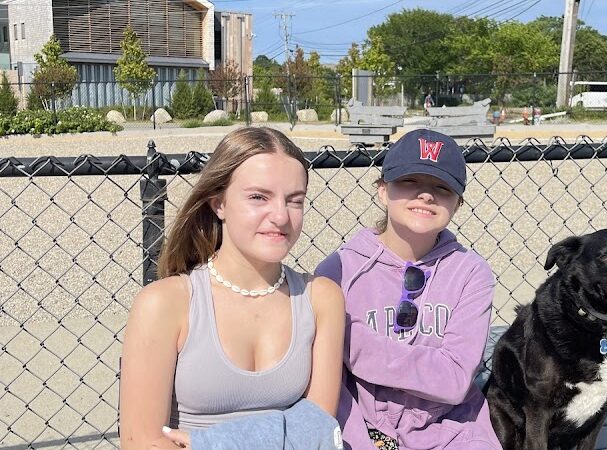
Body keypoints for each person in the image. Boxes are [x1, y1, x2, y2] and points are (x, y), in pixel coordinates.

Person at [119, 127, 345, 450]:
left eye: (295, 201)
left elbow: (319, 427)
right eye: (258, 197)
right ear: (218, 203)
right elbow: (142, 442)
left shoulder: (321, 299)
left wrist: (211, 444)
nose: (281, 216)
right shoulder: (166, 304)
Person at [316, 129, 502, 449]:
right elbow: (330, 381)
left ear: (457, 204)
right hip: (362, 427)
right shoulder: (340, 270)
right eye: (409, 182)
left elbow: (455, 380)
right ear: (383, 191)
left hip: (450, 429)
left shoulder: (471, 273)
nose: (425, 195)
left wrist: (350, 340)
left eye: (441, 188)